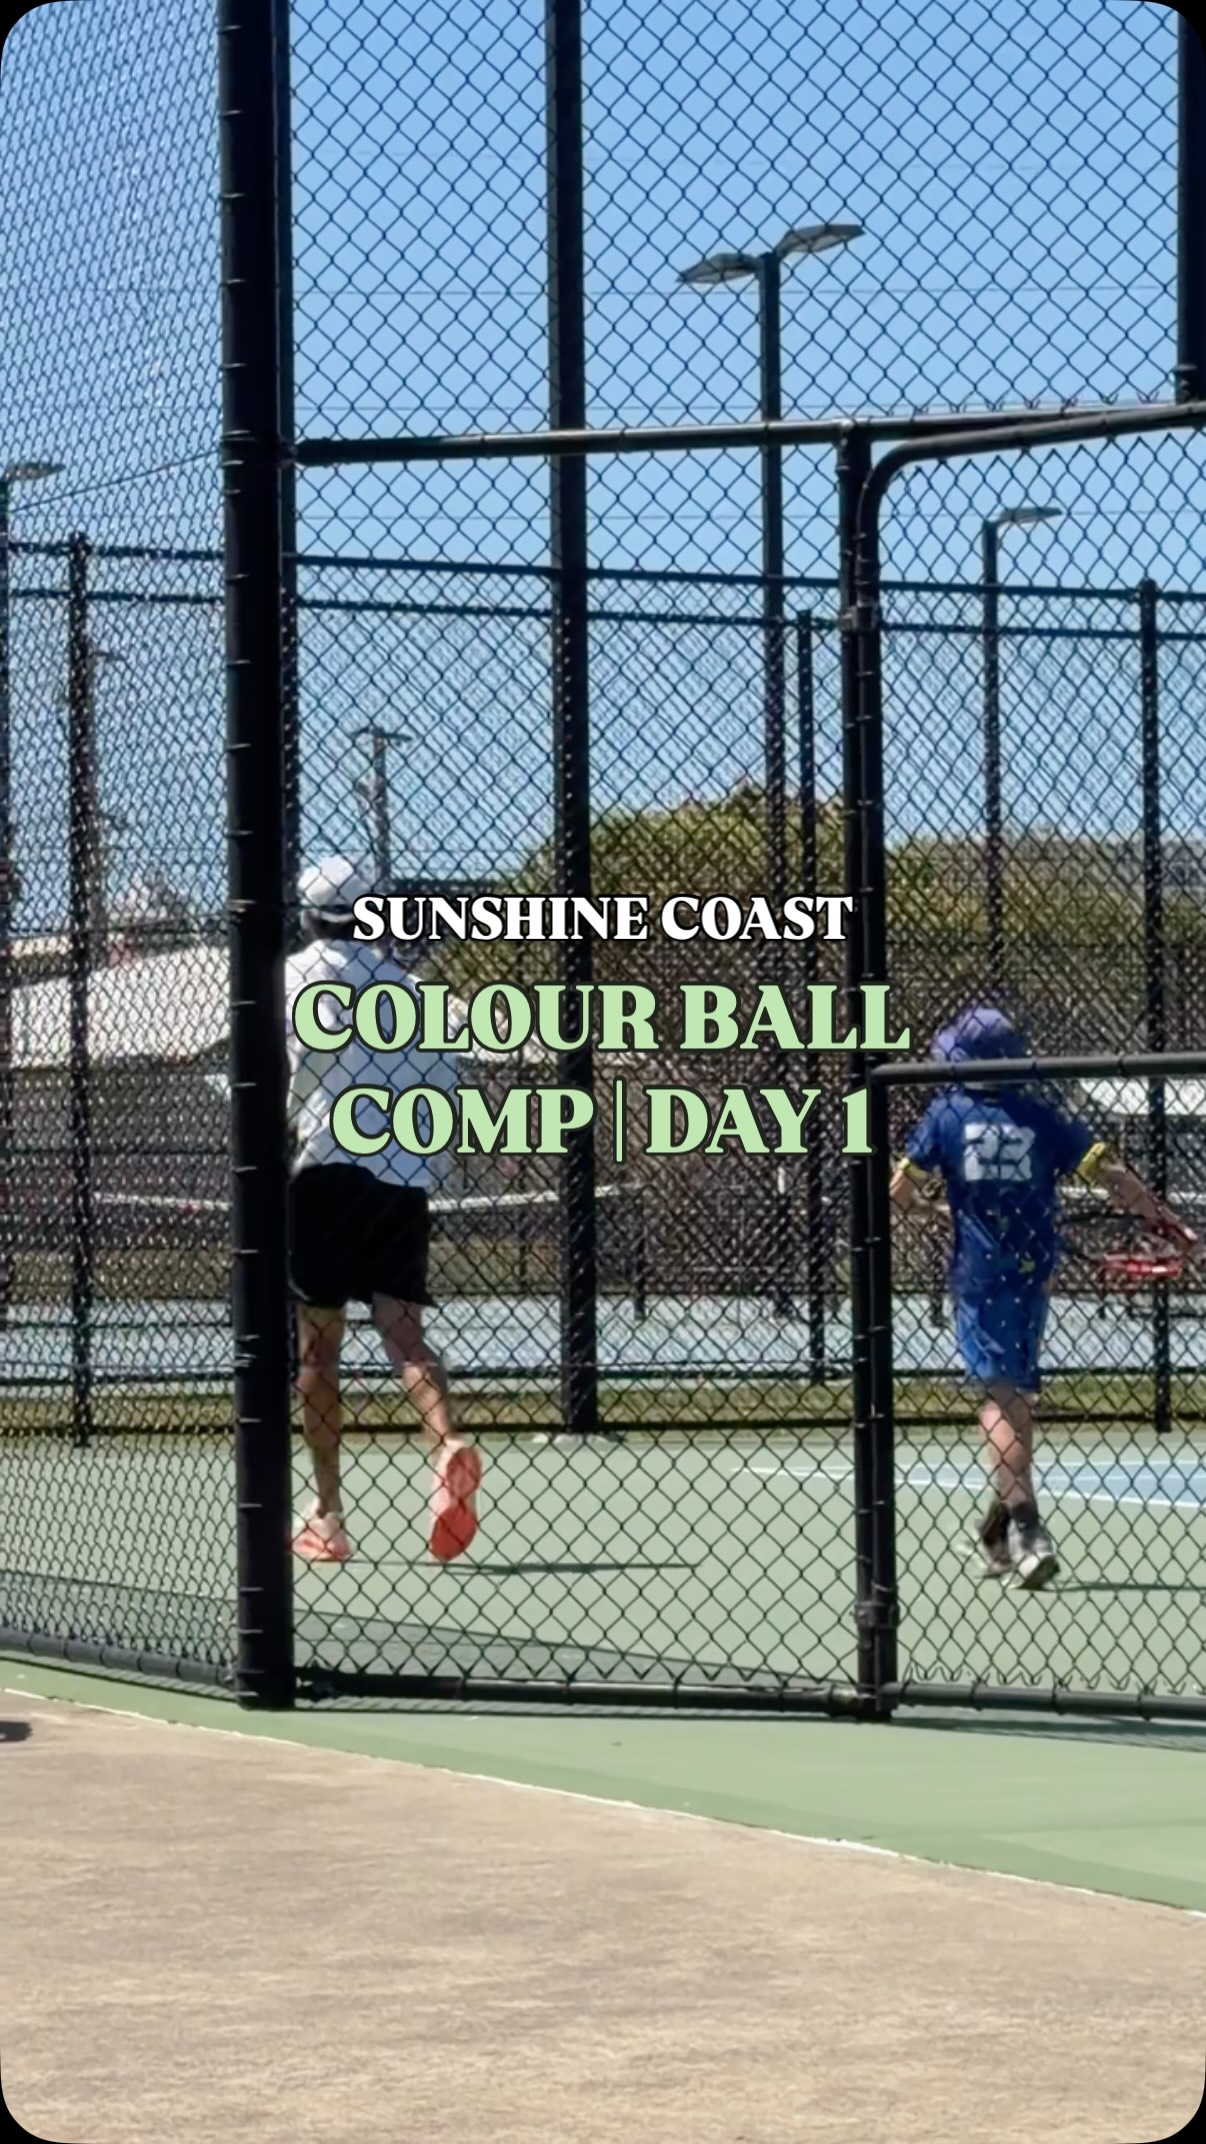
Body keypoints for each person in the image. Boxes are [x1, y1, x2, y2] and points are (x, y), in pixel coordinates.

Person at [890, 1005, 1196, 1590]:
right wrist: (1171, 1224)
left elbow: (899, 1194)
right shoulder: (1042, 1114)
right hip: (1034, 1274)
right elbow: (1114, 1176)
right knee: (1017, 1400)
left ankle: (1024, 1527)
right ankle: (1004, 1527)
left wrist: (933, 1206)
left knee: (1002, 1399)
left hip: (979, 1278)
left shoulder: (947, 1114)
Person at [284, 855, 481, 1564]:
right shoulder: (411, 989)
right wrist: (427, 1163)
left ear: (307, 917)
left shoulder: (297, 976)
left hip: (327, 1172)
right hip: (400, 1177)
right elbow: (446, 1084)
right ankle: (447, 1438)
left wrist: (288, 1122)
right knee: (403, 1332)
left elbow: (303, 1056)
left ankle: (328, 1514)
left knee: (318, 1345)